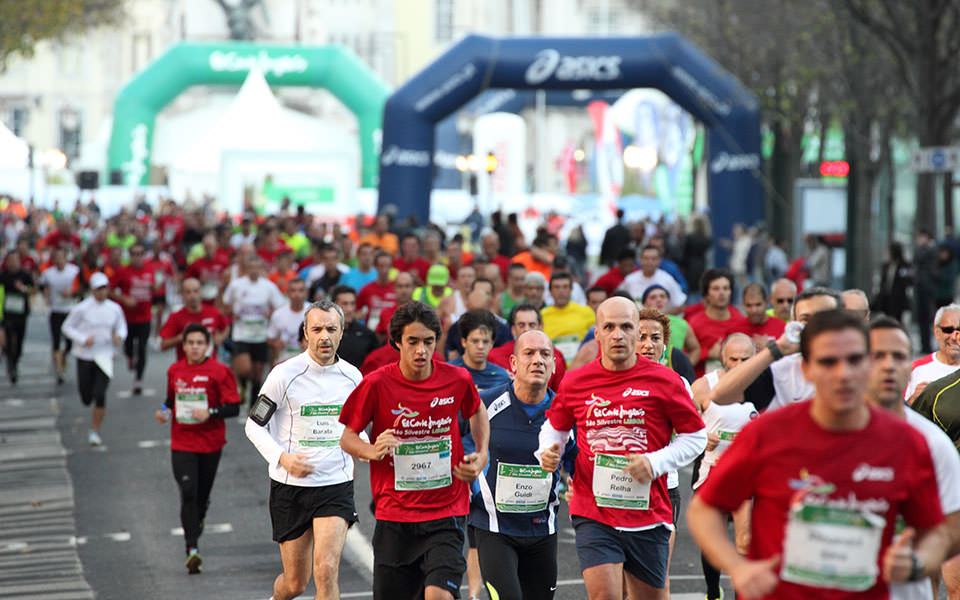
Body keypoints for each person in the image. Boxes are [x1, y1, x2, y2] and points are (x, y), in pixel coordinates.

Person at [687, 310, 952, 599]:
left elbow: (937, 532)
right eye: (828, 361)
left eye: (854, 360)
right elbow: (703, 510)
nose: (842, 373)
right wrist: (737, 567)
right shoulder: (766, 434)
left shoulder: (908, 442)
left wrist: (916, 563)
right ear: (806, 369)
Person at [537, 297, 707, 600]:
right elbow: (556, 426)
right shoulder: (576, 381)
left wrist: (655, 463)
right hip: (593, 510)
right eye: (609, 327)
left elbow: (695, 437)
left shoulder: (665, 380)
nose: (618, 334)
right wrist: (548, 450)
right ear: (597, 333)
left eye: (626, 327)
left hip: (648, 512)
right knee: (606, 595)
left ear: (636, 331)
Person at [339, 301, 490, 600]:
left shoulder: (456, 379)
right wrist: (371, 450)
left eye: (428, 342)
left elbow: (477, 410)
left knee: (439, 595)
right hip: (395, 515)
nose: (421, 350)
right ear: (397, 342)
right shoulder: (376, 383)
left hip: (447, 512)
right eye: (413, 342)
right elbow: (347, 437)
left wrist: (482, 452)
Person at [245, 300, 363, 600]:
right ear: (306, 333)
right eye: (317, 329)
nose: (324, 336)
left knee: (326, 570)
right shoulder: (283, 375)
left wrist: (371, 448)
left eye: (331, 329)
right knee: (296, 583)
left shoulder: (353, 377)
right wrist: (283, 458)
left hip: (335, 484)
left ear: (341, 333)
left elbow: (358, 429)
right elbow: (253, 426)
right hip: (291, 487)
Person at [471, 330, 576, 600]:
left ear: (553, 364)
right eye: (529, 353)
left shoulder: (567, 413)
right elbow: (454, 442)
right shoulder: (486, 403)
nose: (537, 360)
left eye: (545, 354)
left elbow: (580, 465)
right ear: (514, 363)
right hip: (495, 528)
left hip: (542, 530)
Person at [866, 316, 960, 600]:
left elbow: (950, 529)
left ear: (909, 366)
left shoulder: (930, 442)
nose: (887, 366)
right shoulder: (818, 432)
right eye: (877, 356)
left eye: (898, 357)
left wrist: (919, 561)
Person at [155, 323, 241, 574]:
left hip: (210, 442)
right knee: (188, 490)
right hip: (182, 441)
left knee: (201, 496)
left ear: (208, 346)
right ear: (183, 346)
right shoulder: (175, 370)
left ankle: (198, 520)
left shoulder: (220, 372)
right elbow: (170, 400)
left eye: (199, 343)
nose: (194, 347)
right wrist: (164, 411)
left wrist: (210, 412)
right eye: (190, 343)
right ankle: (191, 549)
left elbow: (233, 407)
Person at [689, 333, 758, 600]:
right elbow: (682, 427)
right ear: (722, 358)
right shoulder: (704, 386)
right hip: (713, 471)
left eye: (746, 359)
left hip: (749, 475)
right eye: (734, 359)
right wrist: (701, 437)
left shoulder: (765, 386)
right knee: (713, 539)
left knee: (745, 539)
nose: (740, 365)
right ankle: (712, 591)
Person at [708, 287, 842, 412]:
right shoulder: (781, 369)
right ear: (794, 324)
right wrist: (775, 350)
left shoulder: (861, 364)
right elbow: (719, 395)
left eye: (824, 317)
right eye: (805, 319)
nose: (815, 325)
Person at [61, 272, 127, 446]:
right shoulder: (82, 308)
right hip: (85, 356)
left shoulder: (114, 308)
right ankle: (91, 411)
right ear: (92, 290)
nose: (102, 292)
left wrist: (118, 337)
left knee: (100, 394)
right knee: (86, 396)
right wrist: (83, 339)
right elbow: (67, 327)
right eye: (98, 289)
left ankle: (95, 431)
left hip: (105, 356)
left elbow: (122, 327)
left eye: (105, 288)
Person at [222, 254, 286, 405]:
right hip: (242, 334)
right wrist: (232, 312)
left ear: (261, 269)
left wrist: (271, 314)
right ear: (245, 269)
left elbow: (280, 306)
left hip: (261, 335)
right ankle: (242, 384)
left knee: (258, 373)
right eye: (251, 268)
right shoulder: (236, 285)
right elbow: (225, 304)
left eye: (257, 268)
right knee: (245, 369)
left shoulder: (268, 286)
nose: (254, 271)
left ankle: (252, 405)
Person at [110, 242, 157, 394]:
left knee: (142, 348)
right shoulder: (122, 271)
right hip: (128, 318)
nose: (137, 257)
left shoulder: (150, 269)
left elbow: (156, 287)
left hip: (145, 316)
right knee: (129, 346)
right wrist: (124, 299)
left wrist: (155, 288)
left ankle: (138, 379)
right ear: (129, 256)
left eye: (140, 254)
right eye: (134, 254)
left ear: (144, 255)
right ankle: (130, 357)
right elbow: (109, 290)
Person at [488, 304, 567, 392]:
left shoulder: (555, 357)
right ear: (513, 329)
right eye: (521, 325)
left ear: (541, 327)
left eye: (532, 325)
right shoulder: (494, 357)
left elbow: (559, 396)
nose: (527, 329)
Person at [688, 269, 748, 377]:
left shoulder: (740, 319)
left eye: (726, 288)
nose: (721, 293)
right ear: (706, 294)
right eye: (716, 289)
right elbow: (685, 358)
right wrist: (708, 353)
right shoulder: (694, 323)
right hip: (701, 384)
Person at [159, 278, 229, 363]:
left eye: (195, 291)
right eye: (188, 292)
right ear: (182, 295)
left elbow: (226, 328)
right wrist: (181, 337)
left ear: (201, 292)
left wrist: (221, 338)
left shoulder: (214, 312)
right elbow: (163, 345)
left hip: (210, 367)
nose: (192, 295)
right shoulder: (175, 317)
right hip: (186, 369)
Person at [39, 247, 81, 384]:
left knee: (70, 342)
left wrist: (72, 292)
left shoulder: (74, 271)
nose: (59, 260)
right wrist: (45, 294)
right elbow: (41, 285)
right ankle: (59, 371)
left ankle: (63, 355)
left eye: (61, 257)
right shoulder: (48, 273)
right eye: (56, 258)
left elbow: (81, 287)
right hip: (56, 310)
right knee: (56, 340)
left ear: (65, 258)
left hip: (70, 310)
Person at [904, 303, 960, 404]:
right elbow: (898, 413)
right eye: (948, 330)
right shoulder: (915, 369)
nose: (954, 337)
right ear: (936, 332)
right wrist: (913, 399)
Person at [449, 310, 511, 392]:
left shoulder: (502, 377)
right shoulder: (448, 373)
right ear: (464, 342)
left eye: (485, 341)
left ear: (492, 344)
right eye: (475, 341)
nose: (480, 346)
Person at [541, 272, 595, 365]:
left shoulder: (586, 312)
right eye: (557, 287)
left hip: (581, 366)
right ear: (550, 291)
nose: (561, 291)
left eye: (565, 287)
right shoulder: (541, 315)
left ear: (571, 290)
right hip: (552, 367)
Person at [642, 284, 701, 366]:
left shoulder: (682, 324)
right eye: (653, 297)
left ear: (668, 302)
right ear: (644, 304)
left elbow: (695, 349)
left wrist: (686, 368)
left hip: (674, 376)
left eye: (663, 297)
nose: (659, 300)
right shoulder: (637, 325)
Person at [617, 245, 686, 312]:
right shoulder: (630, 280)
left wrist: (661, 316)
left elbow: (681, 305)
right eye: (646, 258)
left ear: (659, 261)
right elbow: (619, 299)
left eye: (653, 259)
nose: (650, 262)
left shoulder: (667, 279)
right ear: (640, 260)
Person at [0, 250, 34, 383]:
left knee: (19, 342)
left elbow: (34, 290)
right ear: (6, 262)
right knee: (8, 340)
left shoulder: (24, 275)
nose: (13, 263)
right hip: (7, 314)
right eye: (10, 260)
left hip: (21, 314)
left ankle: (15, 359)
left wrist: (24, 289)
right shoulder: (2, 276)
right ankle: (11, 364)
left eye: (15, 260)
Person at [329, 285, 380, 369]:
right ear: (334, 306)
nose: (349, 309)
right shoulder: (324, 333)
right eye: (344, 304)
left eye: (352, 304)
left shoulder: (367, 334)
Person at [267, 277, 309, 365]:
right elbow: (270, 338)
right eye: (293, 290)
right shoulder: (278, 314)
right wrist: (275, 343)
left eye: (301, 290)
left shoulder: (314, 312)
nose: (297, 294)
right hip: (285, 361)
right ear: (287, 293)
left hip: (308, 362)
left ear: (306, 293)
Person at [356, 251, 397, 333]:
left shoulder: (397, 288)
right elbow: (356, 312)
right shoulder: (366, 289)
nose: (384, 270)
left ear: (391, 267)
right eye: (381, 266)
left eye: (387, 266)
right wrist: (360, 314)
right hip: (372, 334)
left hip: (394, 333)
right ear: (375, 267)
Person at [740, 283, 786, 349]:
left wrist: (769, 348)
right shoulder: (735, 330)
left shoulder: (782, 328)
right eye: (749, 305)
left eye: (758, 305)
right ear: (743, 304)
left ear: (766, 302)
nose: (754, 310)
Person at [916, 230, 940, 354]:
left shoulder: (930, 251)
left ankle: (927, 345)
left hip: (926, 288)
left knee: (926, 318)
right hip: (923, 288)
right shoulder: (927, 250)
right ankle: (924, 345)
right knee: (923, 318)